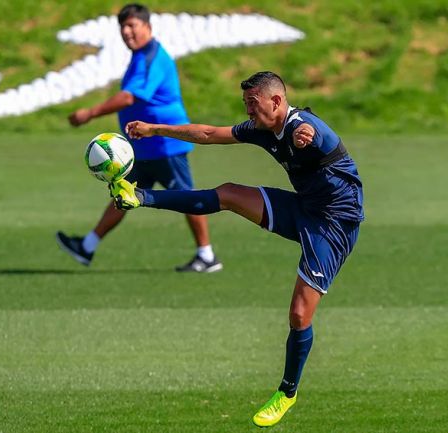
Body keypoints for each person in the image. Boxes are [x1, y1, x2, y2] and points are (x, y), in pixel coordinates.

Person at [112, 71, 364, 427]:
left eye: (252, 103)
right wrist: (154, 129)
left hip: (334, 224)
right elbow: (209, 134)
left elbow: (318, 133)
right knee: (229, 193)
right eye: (245, 103)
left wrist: (309, 136)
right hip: (304, 206)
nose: (248, 111)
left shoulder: (301, 125)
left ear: (276, 101)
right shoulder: (262, 129)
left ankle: (287, 393)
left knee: (298, 315)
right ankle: (140, 196)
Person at [56, 3, 222, 273]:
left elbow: (130, 96)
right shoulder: (140, 56)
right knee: (124, 193)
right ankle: (87, 246)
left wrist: (90, 112)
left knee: (186, 196)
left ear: (148, 27)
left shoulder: (151, 56)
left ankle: (207, 255)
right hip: (144, 147)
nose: (127, 32)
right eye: (123, 27)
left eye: (132, 25)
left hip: (165, 145)